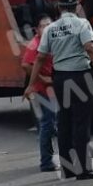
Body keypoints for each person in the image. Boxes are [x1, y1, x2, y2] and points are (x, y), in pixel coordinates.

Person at [25, 0, 93, 180]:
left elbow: (40, 57)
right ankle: (84, 169)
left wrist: (31, 84)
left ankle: (68, 169)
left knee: (64, 122)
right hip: (80, 77)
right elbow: (89, 47)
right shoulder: (82, 25)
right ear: (77, 7)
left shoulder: (50, 29)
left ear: (59, 8)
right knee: (81, 123)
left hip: (60, 78)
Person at [22, 15, 57, 172]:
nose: (47, 28)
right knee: (47, 125)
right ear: (37, 29)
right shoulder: (35, 45)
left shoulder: (51, 41)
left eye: (50, 25)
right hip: (40, 91)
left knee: (49, 125)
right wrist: (42, 78)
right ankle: (46, 162)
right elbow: (26, 65)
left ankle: (49, 157)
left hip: (49, 90)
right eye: (44, 26)